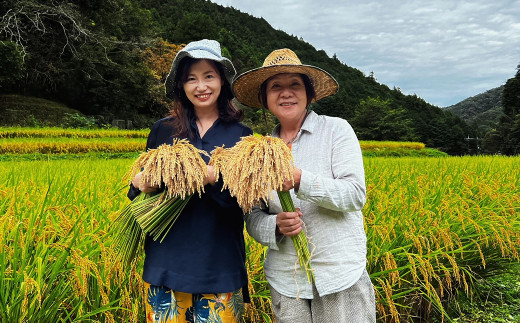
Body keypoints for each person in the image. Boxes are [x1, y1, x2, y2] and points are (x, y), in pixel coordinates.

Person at [232, 48, 376, 322]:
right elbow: (251, 216)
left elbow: (355, 195)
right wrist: (275, 226)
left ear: (309, 94)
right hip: (287, 281)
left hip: (339, 275)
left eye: (295, 84)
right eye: (276, 86)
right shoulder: (257, 151)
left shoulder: (337, 130)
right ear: (264, 98)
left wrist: (300, 180)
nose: (286, 93)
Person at [128, 39, 253, 323]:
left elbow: (245, 202)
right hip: (166, 262)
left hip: (220, 262)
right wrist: (139, 184)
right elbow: (138, 197)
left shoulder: (242, 135)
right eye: (191, 79)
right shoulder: (163, 130)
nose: (201, 86)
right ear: (182, 87)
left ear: (222, 80)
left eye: (209, 76)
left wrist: (210, 178)